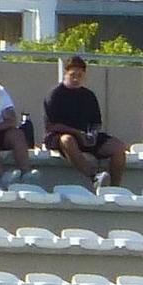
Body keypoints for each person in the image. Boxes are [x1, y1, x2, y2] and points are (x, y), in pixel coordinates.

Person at [43, 55, 127, 190]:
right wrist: (77, 133)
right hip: (59, 136)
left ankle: (114, 188)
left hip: (84, 136)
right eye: (73, 75)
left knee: (118, 147)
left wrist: (92, 135)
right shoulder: (55, 94)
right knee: (67, 140)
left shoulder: (88, 95)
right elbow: (51, 125)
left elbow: (96, 122)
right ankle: (93, 176)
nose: (76, 79)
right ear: (65, 73)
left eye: (80, 75)